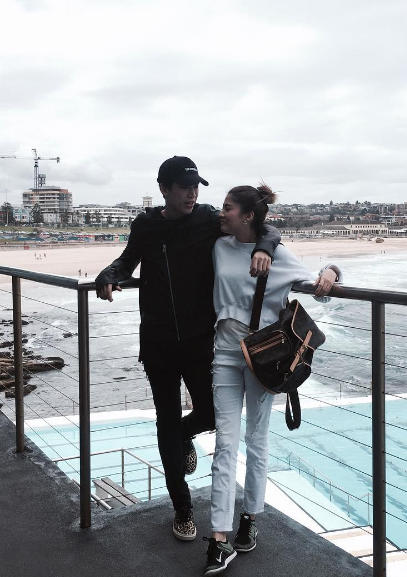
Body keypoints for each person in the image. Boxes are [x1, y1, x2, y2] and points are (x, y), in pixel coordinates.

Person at [95, 157, 280, 542]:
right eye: (184, 187)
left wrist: (263, 246)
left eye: (196, 187)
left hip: (200, 342)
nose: (192, 194)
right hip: (158, 343)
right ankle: (182, 508)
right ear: (165, 189)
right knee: (165, 420)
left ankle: (183, 435)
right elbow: (128, 260)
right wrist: (110, 274)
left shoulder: (208, 219)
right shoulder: (146, 225)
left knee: (210, 414)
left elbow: (263, 226)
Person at [203, 183, 340, 576]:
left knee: (256, 439)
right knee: (225, 443)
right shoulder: (220, 246)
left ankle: (250, 517)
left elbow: (322, 289)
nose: (221, 213)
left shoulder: (278, 255)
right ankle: (218, 538)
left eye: (228, 207)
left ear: (248, 215)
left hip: (263, 358)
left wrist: (331, 271)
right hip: (225, 352)